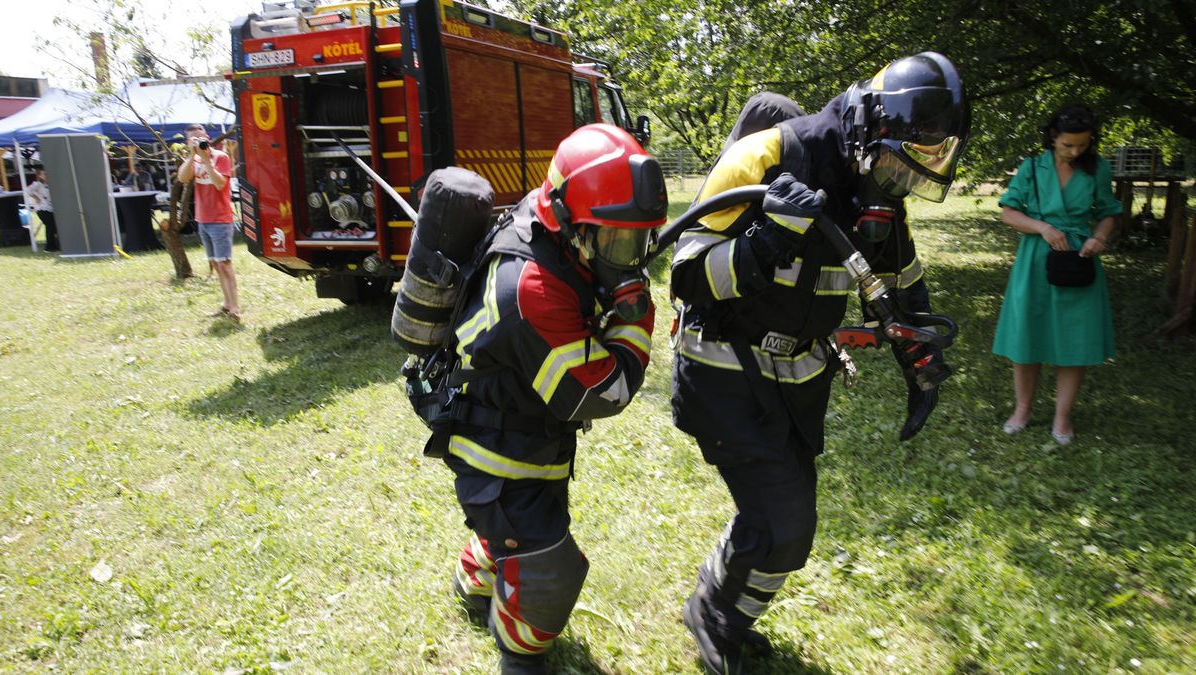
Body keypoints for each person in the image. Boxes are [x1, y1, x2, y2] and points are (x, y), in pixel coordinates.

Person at [669, 52, 970, 673]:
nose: (899, 183)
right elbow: (685, 276)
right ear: (871, 129)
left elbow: (898, 274)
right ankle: (714, 615)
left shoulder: (879, 176)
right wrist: (765, 241)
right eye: (896, 166)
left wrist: (918, 353)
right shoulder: (770, 155)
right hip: (727, 367)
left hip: (802, 376)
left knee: (786, 525)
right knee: (784, 519)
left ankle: (721, 607)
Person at [439, 124, 666, 674]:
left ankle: (477, 579)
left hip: (519, 423)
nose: (629, 259)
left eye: (637, 241)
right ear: (569, 220)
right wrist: (636, 320)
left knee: (522, 523)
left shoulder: (546, 224)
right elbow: (603, 392)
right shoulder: (533, 289)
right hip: (498, 449)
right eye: (616, 242)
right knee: (550, 572)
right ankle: (520, 655)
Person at [992, 105, 1121, 445]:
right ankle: (1022, 410)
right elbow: (1009, 212)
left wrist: (1100, 236)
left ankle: (1063, 418)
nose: (1076, 152)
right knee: (1027, 337)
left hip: (1079, 258)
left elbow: (1109, 213)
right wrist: (1042, 227)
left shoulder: (1099, 170)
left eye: (1082, 145)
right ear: (1053, 138)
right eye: (1068, 145)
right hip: (1036, 259)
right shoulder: (1032, 168)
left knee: (1074, 341)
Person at [177, 123, 240, 322]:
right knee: (216, 264)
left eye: (200, 137)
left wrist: (206, 160)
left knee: (225, 264)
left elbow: (220, 183)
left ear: (207, 136)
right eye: (193, 139)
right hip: (203, 219)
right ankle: (226, 304)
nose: (198, 141)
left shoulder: (220, 157)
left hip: (220, 218)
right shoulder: (192, 160)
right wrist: (191, 155)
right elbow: (182, 178)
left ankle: (235, 308)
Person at [25, 168, 58, 252]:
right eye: (44, 174)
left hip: (50, 209)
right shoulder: (38, 184)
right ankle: (49, 247)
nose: (46, 175)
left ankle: (54, 245)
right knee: (50, 226)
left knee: (53, 227)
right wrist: (36, 197)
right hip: (42, 209)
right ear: (39, 175)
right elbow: (27, 190)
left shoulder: (48, 184)